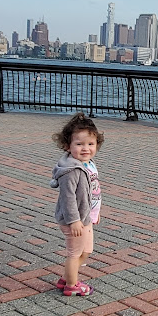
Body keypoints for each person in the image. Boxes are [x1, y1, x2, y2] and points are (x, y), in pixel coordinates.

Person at [50, 113, 104, 296]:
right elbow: (68, 198)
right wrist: (73, 220)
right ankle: (71, 286)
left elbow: (92, 192)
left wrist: (95, 212)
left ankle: (66, 278)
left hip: (86, 217)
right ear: (68, 145)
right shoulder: (71, 171)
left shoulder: (88, 164)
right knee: (75, 254)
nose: (86, 148)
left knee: (86, 251)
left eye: (90, 144)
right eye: (79, 144)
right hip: (74, 220)